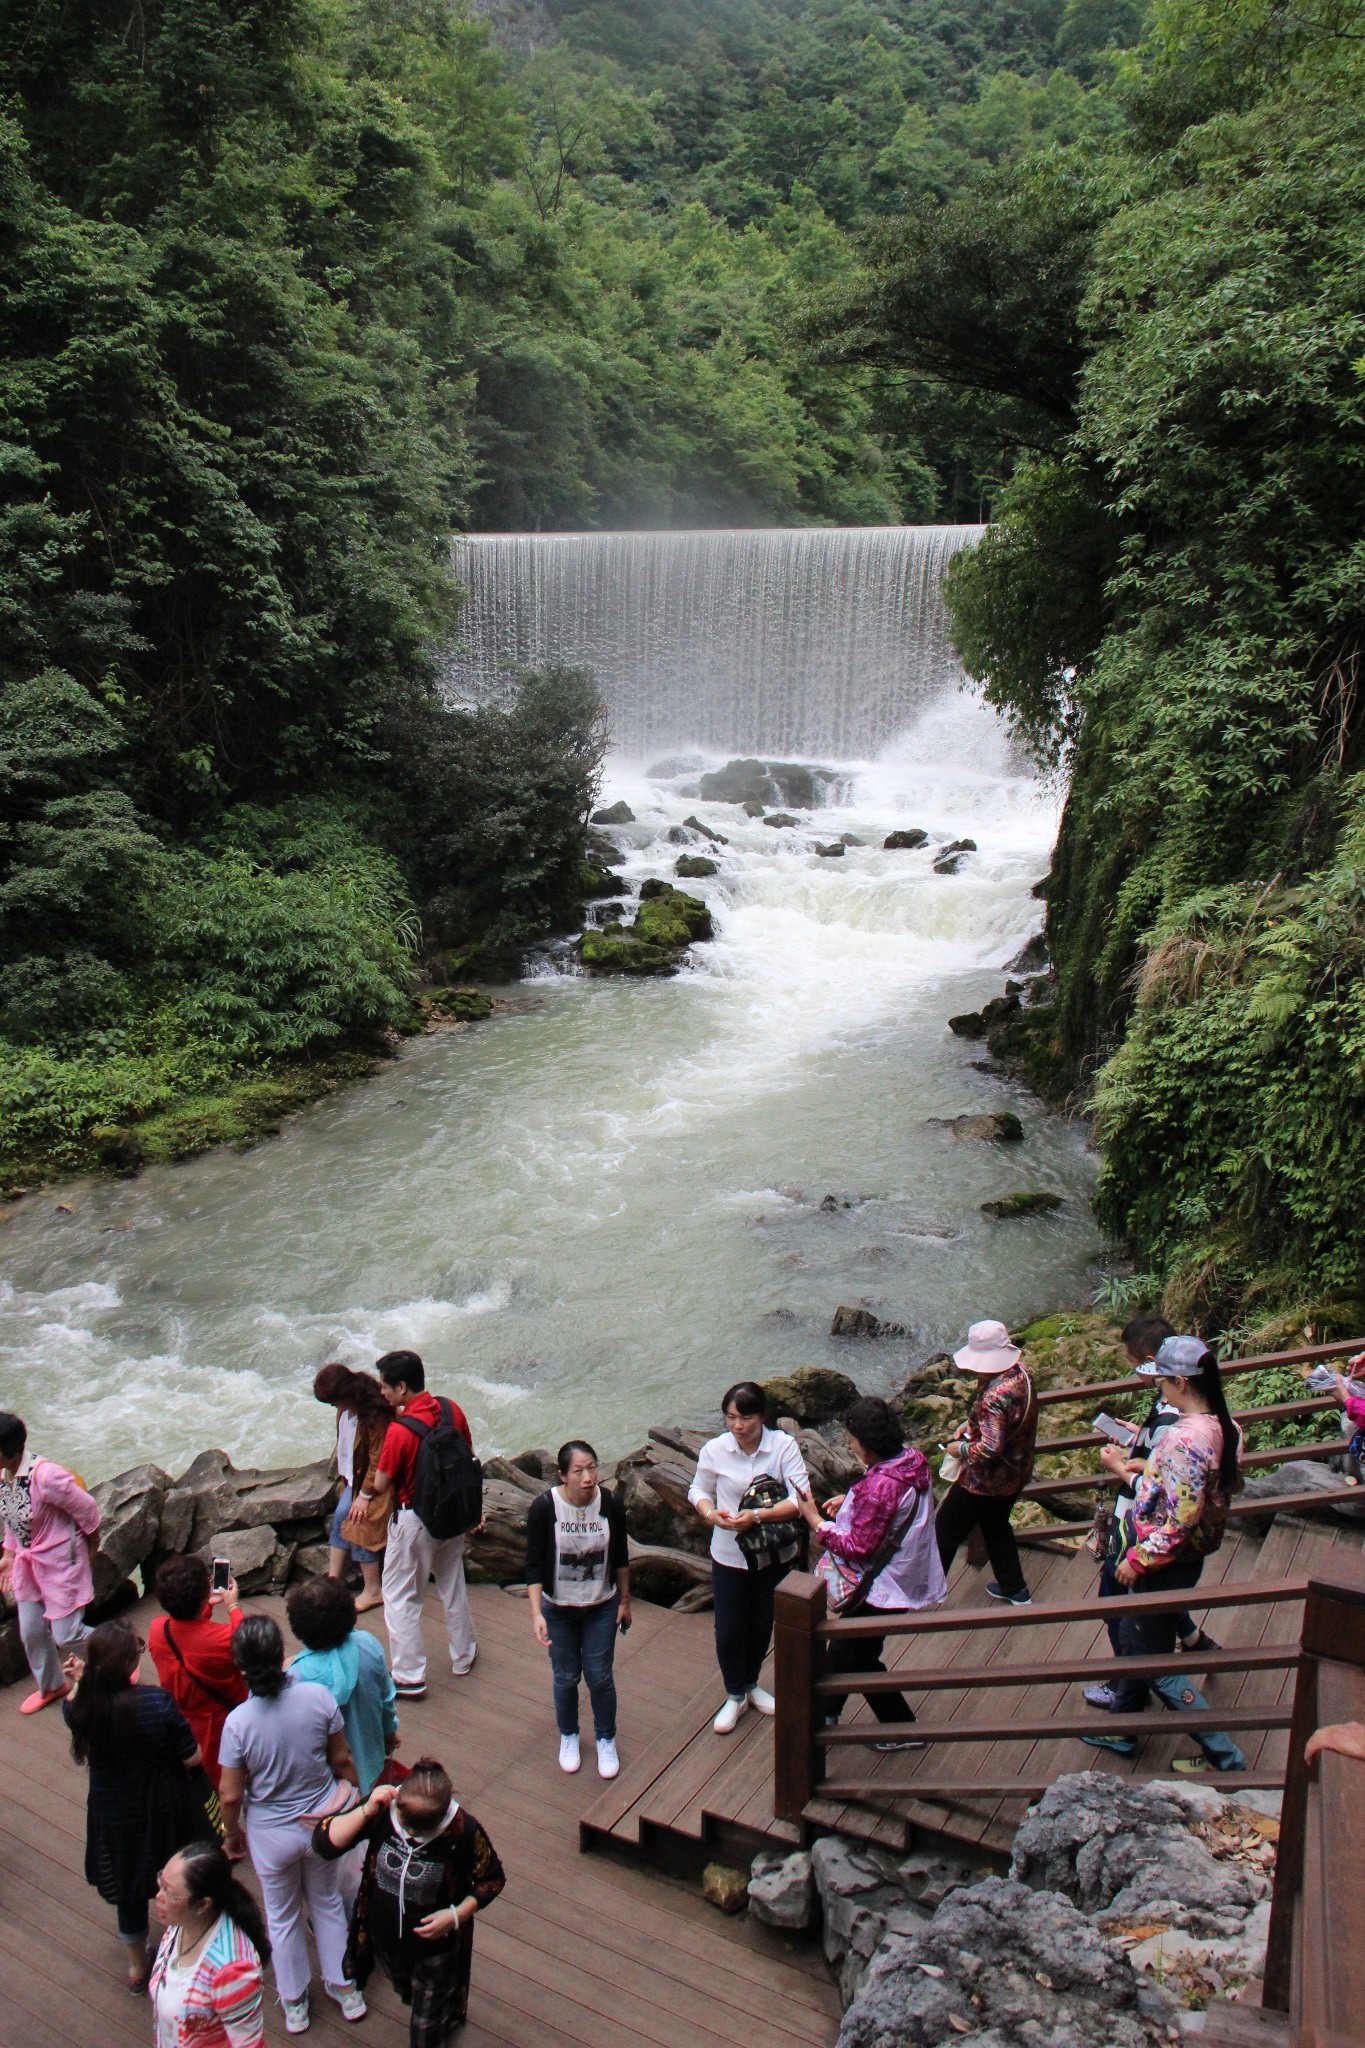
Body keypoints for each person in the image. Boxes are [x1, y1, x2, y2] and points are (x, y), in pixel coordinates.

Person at [1082, 1334, 1246, 1773]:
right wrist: (1148, 1467)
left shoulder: (1184, 1441)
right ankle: (1123, 1726)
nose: (1159, 1389)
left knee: (1154, 1661)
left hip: (1164, 1561)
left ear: (1180, 1382)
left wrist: (1138, 1560)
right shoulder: (1223, 1426)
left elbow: (1179, 1518)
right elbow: (1185, 1490)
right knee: (1141, 1643)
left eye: (1163, 1382)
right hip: (1190, 1557)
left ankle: (1226, 1757)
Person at [217, 1615, 367, 2032]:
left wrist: (233, 1835)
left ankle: (296, 2000)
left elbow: (230, 1794)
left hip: (270, 1832)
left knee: (281, 1916)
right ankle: (344, 1987)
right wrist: (353, 1797)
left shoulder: (239, 1723)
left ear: (240, 1665)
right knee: (326, 1901)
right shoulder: (318, 1698)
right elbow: (341, 1760)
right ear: (281, 1652)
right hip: (320, 1823)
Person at [63, 1618, 216, 1992]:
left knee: (129, 1893)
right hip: (162, 1805)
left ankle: (136, 1968)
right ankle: (189, 1950)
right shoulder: (156, 1703)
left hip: (113, 1812)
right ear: (131, 1666)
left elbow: (74, 1704)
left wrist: (81, 1682)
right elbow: (192, 1757)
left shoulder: (82, 1711)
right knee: (178, 1877)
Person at [312, 1757, 505, 2047]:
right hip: (384, 1940)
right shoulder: (383, 1810)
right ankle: (438, 2008)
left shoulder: (462, 1829)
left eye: (423, 1831)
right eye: (408, 1826)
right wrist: (366, 1809)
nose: (413, 1836)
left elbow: (492, 1878)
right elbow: (325, 1843)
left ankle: (438, 2014)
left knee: (425, 2032)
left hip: (435, 1951)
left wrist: (455, 1915)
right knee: (409, 1993)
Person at [797, 1396, 946, 1751]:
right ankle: (827, 1712)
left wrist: (815, 1520)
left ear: (868, 1443)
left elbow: (859, 1547)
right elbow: (879, 1504)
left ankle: (901, 1730)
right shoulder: (911, 1460)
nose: (851, 1445)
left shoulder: (882, 1487)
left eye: (852, 1439)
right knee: (847, 1649)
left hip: (882, 1584)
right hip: (904, 1573)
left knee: (858, 1655)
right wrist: (849, 1501)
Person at [688, 1382, 810, 1734]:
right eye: (730, 1417)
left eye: (745, 1418)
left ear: (762, 1416)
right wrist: (709, 1512)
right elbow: (698, 1489)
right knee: (727, 1629)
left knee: (761, 1622)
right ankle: (734, 1693)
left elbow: (800, 1498)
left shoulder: (782, 1446)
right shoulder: (715, 1450)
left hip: (773, 1555)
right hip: (728, 1553)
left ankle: (752, 1683)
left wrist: (757, 1516)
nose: (737, 1426)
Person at [1093, 1315, 1216, 1660]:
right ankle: (1192, 1640)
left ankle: (1126, 1683)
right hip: (1168, 1545)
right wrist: (1141, 1437)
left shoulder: (1180, 1432)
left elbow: (1173, 1505)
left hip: (1148, 1534)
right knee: (1151, 1601)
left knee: (1120, 1603)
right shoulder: (1207, 1421)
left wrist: (1120, 1467)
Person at [371, 1350, 478, 1699]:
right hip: (454, 1516)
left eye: (386, 1387)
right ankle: (464, 1654)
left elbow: (382, 1484)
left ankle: (408, 1675)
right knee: (452, 1582)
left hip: (415, 1522)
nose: (383, 1394)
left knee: (401, 1596)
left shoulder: (399, 1431)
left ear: (402, 1388)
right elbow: (470, 1456)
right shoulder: (452, 1409)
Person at [524, 1440, 631, 1779]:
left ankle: (605, 1738)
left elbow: (622, 1555)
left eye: (592, 1468)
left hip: (601, 1605)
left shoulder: (610, 1502)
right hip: (559, 1608)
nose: (587, 1477)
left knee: (600, 1677)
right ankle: (568, 1734)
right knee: (565, 1676)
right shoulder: (545, 1508)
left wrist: (625, 1601)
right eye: (578, 1471)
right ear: (562, 1476)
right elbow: (534, 1564)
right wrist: (537, 1613)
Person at [0, 1409, 101, 1713]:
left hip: (60, 1562)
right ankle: (52, 1684)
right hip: (29, 1565)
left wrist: (90, 1549)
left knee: (66, 1633)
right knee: (30, 1629)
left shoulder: (46, 1477)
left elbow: (88, 1510)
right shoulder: (4, 1476)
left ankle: (119, 1651)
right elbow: (10, 1514)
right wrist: (8, 1553)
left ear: (8, 1451)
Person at [935, 1320, 1038, 1606]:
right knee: (995, 1524)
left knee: (944, 1528)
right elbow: (1006, 1422)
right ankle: (1014, 1588)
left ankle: (932, 1591)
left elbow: (990, 1447)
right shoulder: (1021, 1373)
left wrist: (961, 1448)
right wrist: (970, 1425)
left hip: (986, 1481)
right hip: (1017, 1469)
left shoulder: (994, 1396)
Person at [148, 1841, 271, 2048]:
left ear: (203, 1904)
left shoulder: (233, 1970)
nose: (158, 1896)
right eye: (161, 1882)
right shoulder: (180, 1923)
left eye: (169, 1892)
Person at [287, 1575, 399, 1798]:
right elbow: (386, 1698)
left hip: (329, 1789)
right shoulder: (367, 1643)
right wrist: (389, 1731)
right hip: (371, 1762)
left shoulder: (294, 1678)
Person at [148, 1555, 248, 1787]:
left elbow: (189, 1633)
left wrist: (204, 1607)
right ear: (204, 1593)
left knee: (203, 1776)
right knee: (227, 1777)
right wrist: (232, 1605)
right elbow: (246, 1642)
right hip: (221, 1721)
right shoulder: (220, 1640)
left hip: (182, 1718)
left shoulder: (157, 1630)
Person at [314, 1363, 390, 1612]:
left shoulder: (374, 1414)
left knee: (357, 1519)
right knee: (340, 1516)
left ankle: (373, 1590)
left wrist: (366, 1495)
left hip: (375, 1484)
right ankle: (333, 1581)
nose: (334, 1407)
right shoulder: (345, 1410)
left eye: (334, 1402)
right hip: (354, 1480)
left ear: (345, 1395)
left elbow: (379, 1460)